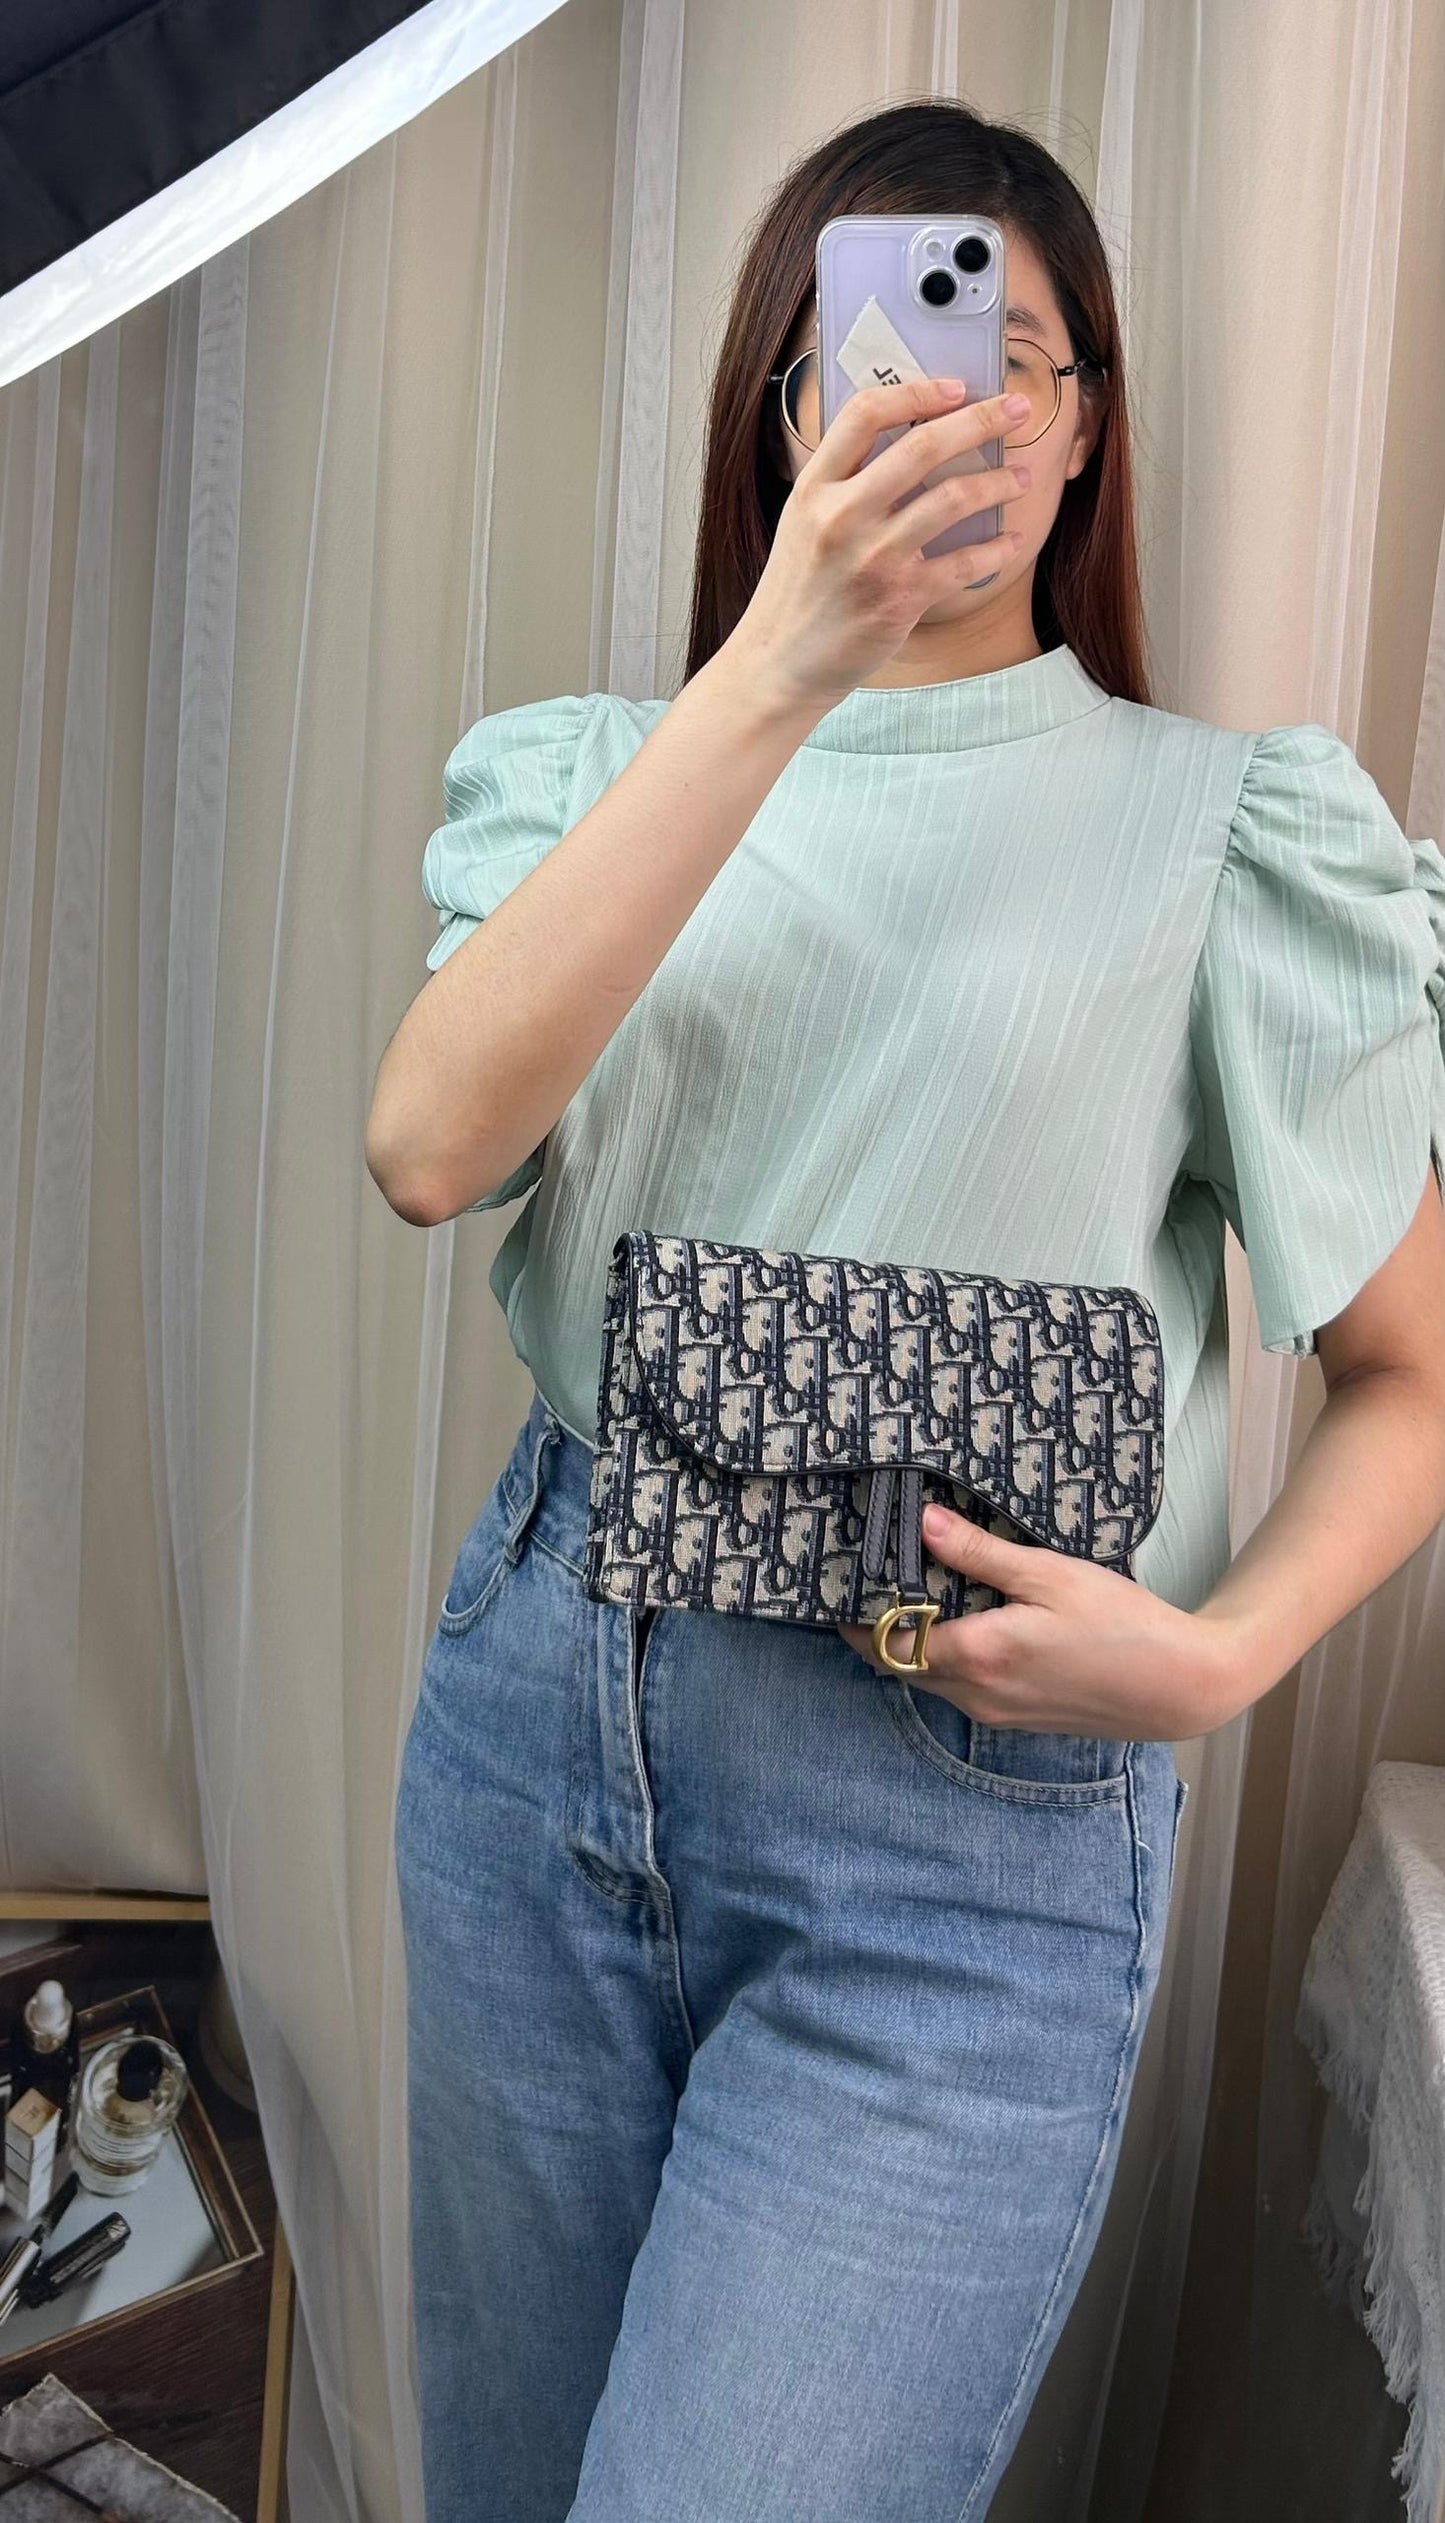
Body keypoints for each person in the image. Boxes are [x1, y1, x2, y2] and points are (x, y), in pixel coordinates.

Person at [368, 95, 1445, 2523]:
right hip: (543, 1738)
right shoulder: (599, 772)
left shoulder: (1232, 828)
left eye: (1009, 355)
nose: (946, 401)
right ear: (784, 408)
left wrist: (1220, 1660)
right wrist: (783, 663)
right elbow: (431, 1148)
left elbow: (1411, 1373)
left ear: (1086, 427)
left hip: (961, 1831)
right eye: (874, 353)